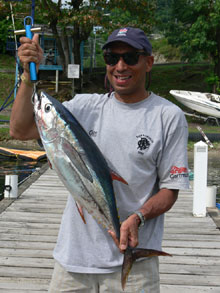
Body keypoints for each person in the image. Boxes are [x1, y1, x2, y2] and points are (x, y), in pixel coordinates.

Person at [10, 27, 189, 292]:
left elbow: (170, 189)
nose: (119, 66)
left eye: (130, 57)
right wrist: (27, 75)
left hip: (134, 266)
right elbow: (19, 130)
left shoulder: (168, 116)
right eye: (111, 57)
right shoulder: (83, 107)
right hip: (73, 261)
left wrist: (138, 217)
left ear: (148, 62)